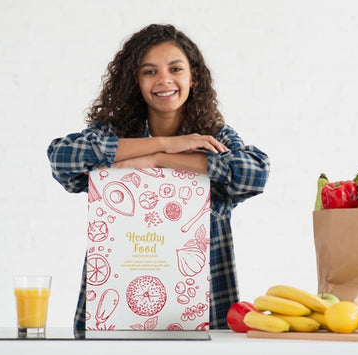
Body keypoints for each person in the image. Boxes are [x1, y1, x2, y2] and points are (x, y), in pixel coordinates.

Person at [47, 24, 270, 330]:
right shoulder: (114, 134)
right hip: (114, 310)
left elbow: (254, 174)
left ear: (193, 76)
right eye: (149, 71)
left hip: (203, 308)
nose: (164, 79)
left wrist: (160, 160)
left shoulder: (214, 138)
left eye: (175, 68)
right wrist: (164, 144)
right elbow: (62, 158)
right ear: (135, 81)